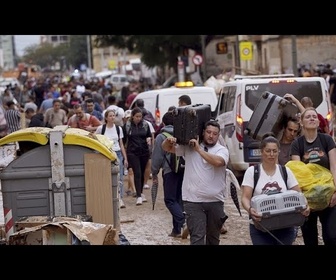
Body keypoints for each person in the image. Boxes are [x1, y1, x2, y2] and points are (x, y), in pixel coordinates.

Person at [162, 120, 229, 245]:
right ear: (203, 132)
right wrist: (168, 141)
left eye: (214, 134)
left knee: (213, 239)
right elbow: (166, 148)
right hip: (193, 201)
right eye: (208, 132)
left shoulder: (222, 150)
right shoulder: (189, 147)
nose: (211, 135)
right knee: (197, 238)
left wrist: (199, 150)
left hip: (215, 201)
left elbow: (218, 162)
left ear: (218, 136)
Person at [241, 135, 310, 245]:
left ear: (278, 152)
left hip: (286, 226)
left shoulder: (285, 171)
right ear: (262, 152)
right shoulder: (252, 172)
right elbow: (245, 197)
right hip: (260, 227)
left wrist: (306, 206)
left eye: (274, 151)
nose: (271, 154)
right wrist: (250, 209)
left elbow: (299, 194)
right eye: (268, 151)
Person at [290, 107, 336, 245]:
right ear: (302, 123)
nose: (312, 118)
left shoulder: (327, 140)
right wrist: (301, 199)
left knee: (332, 236)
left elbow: (334, 166)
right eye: (308, 116)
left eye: (314, 116)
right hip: (308, 199)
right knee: (310, 238)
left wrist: (335, 191)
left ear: (318, 122)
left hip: (328, 196)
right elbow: (297, 173)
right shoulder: (297, 144)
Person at [151, 110, 185, 238]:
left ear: (164, 122)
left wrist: (154, 173)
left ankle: (183, 222)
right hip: (183, 170)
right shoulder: (181, 134)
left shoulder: (162, 136)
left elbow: (157, 158)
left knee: (170, 200)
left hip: (169, 171)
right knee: (178, 200)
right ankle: (176, 230)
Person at [95, 109, 128, 209]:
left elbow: (121, 143)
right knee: (106, 176)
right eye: (110, 116)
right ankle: (108, 197)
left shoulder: (119, 129)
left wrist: (125, 158)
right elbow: (96, 140)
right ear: (106, 118)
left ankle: (120, 198)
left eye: (114, 115)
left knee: (120, 176)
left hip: (117, 153)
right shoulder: (102, 128)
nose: (112, 117)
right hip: (106, 153)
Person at [123, 107, 152, 205]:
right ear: (132, 116)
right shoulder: (127, 126)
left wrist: (149, 142)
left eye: (140, 116)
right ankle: (138, 195)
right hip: (132, 152)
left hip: (144, 152)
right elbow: (124, 140)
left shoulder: (145, 125)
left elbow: (148, 136)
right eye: (137, 116)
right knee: (137, 172)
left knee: (143, 172)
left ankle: (141, 192)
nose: (139, 118)